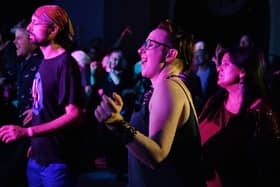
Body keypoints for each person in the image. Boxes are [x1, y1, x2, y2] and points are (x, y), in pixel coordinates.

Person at [94, 19, 206, 187]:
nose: (140, 50)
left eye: (149, 44)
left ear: (170, 54)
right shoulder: (165, 87)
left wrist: (117, 124)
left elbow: (157, 154)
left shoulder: (168, 87)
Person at [0, 5, 83, 187]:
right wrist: (36, 144)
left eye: (35, 22)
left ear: (53, 30)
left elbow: (73, 114)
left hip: (56, 162)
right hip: (38, 156)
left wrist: (27, 132)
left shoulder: (65, 63)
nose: (29, 27)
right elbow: (46, 110)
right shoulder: (45, 62)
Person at [199, 47, 280, 187]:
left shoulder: (260, 113)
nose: (219, 68)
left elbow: (268, 167)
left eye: (225, 64)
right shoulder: (215, 102)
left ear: (242, 72)